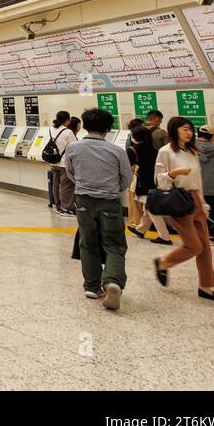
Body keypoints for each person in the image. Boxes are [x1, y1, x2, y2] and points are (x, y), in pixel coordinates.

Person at [154, 117, 214, 304]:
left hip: (195, 199)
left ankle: (206, 287)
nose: (189, 133)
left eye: (191, 130)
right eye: (185, 129)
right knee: (194, 246)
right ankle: (163, 263)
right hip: (178, 201)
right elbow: (159, 181)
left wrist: (203, 204)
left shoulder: (193, 151)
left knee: (205, 247)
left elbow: (197, 181)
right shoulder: (165, 152)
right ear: (174, 130)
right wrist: (173, 173)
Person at [62, 107, 131, 309]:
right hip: (109, 201)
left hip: (83, 201)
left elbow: (70, 173)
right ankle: (112, 282)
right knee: (114, 245)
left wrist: (85, 185)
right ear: (108, 128)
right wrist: (110, 189)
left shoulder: (73, 149)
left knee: (88, 243)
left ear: (84, 125)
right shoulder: (117, 151)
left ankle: (92, 286)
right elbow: (126, 179)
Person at [127, 123, 172, 245]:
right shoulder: (155, 150)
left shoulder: (133, 150)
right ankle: (140, 229)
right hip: (156, 182)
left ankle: (165, 237)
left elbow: (127, 167)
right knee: (148, 207)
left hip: (143, 183)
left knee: (151, 209)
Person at [49, 111, 78, 219]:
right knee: (66, 186)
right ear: (67, 120)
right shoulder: (68, 132)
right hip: (64, 163)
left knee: (56, 185)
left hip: (53, 160)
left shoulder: (51, 129)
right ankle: (66, 208)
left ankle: (58, 206)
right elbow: (75, 145)